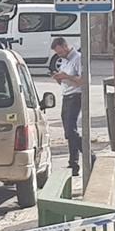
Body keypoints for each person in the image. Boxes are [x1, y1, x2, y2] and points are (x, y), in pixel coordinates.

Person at [50, 37, 84, 176]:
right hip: (66, 95)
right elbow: (65, 79)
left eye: (60, 52)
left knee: (71, 130)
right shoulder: (64, 60)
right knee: (68, 131)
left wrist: (67, 77)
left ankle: (89, 155)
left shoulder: (78, 58)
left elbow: (82, 81)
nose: (59, 56)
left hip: (76, 96)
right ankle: (73, 162)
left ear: (65, 46)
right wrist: (59, 78)